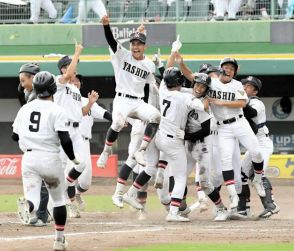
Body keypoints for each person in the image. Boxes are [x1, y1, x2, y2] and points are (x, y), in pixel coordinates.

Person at [178, 56, 265, 212]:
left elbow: (242, 103)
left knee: (256, 152)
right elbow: (190, 76)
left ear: (235, 71)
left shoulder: (238, 84)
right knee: (225, 163)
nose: (228, 70)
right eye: (226, 67)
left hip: (239, 122)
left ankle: (258, 179)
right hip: (222, 128)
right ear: (220, 68)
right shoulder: (212, 83)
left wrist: (220, 102)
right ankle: (233, 197)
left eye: (232, 68)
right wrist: (180, 61)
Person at [123, 66, 207, 222]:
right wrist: (208, 95)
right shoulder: (184, 97)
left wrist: (167, 64)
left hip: (159, 136)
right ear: (179, 81)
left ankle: (130, 193)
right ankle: (173, 212)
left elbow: (165, 75)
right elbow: (203, 106)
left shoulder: (162, 89)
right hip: (173, 140)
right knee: (180, 177)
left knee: (149, 167)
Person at [12, 71, 81, 251]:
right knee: (58, 201)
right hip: (49, 158)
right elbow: (65, 139)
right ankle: (59, 240)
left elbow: (14, 136)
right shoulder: (57, 110)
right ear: (52, 89)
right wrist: (73, 158)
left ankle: (30, 205)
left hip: (28, 158)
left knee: (33, 197)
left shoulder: (24, 109)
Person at [96, 15, 161, 169]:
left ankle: (141, 150)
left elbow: (152, 84)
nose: (135, 47)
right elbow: (111, 41)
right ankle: (106, 152)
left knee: (156, 117)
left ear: (145, 46)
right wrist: (106, 26)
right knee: (118, 122)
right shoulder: (123, 55)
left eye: (139, 44)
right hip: (122, 99)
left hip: (138, 102)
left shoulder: (149, 65)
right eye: (133, 44)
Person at [53, 44, 99, 218]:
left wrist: (90, 103)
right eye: (73, 64)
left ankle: (65, 192)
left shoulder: (75, 90)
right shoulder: (60, 82)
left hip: (76, 131)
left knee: (81, 164)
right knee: (62, 168)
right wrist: (77, 52)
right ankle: (62, 202)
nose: (75, 67)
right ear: (64, 68)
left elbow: (81, 113)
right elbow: (67, 75)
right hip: (62, 131)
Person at [237, 76, 280, 218]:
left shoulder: (256, 103)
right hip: (253, 144)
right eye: (243, 85)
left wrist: (239, 100)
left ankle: (271, 206)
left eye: (248, 86)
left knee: (258, 175)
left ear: (255, 91)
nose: (244, 87)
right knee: (241, 174)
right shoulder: (240, 102)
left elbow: (251, 113)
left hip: (262, 143)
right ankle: (244, 208)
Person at [17, 63, 52, 227]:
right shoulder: (33, 94)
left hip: (34, 144)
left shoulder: (36, 95)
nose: (22, 85)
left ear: (34, 78)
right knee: (45, 183)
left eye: (24, 80)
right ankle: (40, 214)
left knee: (39, 184)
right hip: (42, 144)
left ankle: (39, 212)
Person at [72, 74, 112, 210]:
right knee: (66, 175)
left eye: (77, 81)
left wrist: (116, 121)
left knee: (85, 182)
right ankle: (69, 204)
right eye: (72, 80)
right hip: (67, 141)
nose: (75, 82)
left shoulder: (86, 101)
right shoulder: (61, 99)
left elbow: (103, 112)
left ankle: (76, 194)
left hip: (83, 142)